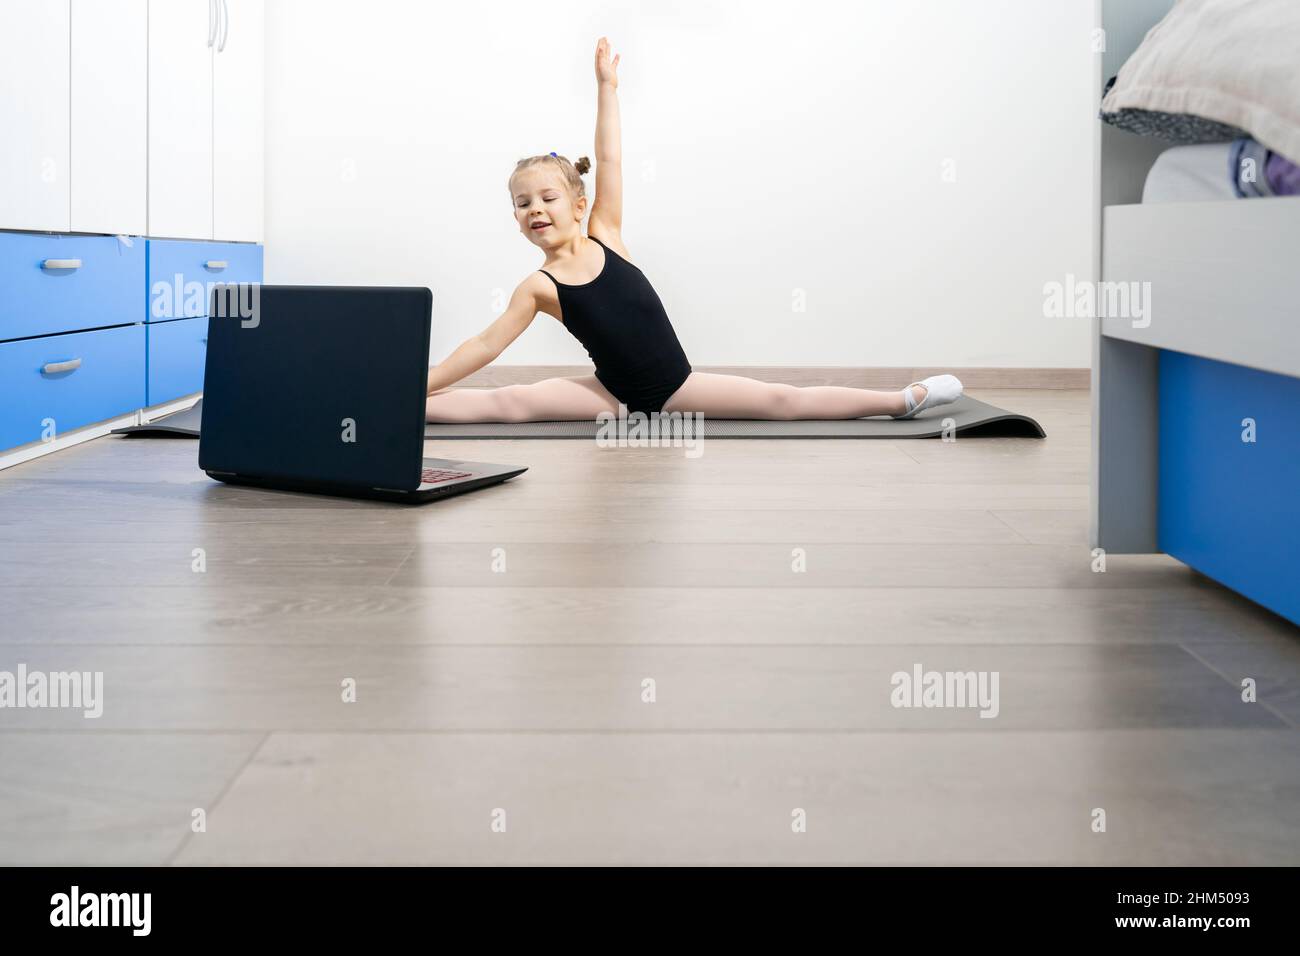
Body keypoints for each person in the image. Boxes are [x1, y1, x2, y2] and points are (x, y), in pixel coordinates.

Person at [425, 37, 963, 424]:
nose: (534, 210)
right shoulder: (539, 286)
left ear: (578, 203)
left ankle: (902, 399)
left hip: (677, 388)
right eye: (521, 204)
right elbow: (484, 345)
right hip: (609, 394)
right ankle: (400, 402)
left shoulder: (605, 233)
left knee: (782, 402)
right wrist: (420, 381)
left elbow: (610, 158)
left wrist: (606, 88)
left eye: (547, 198)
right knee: (509, 403)